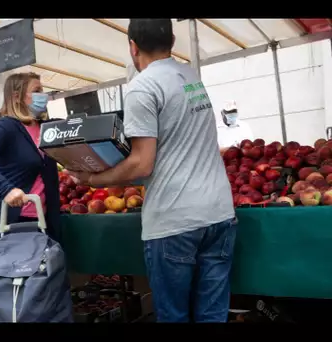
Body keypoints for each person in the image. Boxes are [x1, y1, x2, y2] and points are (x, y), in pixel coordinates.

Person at [68, 19, 236, 323]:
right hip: (219, 212)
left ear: (132, 46)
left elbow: (141, 164)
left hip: (176, 220)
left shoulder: (143, 87)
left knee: (174, 317)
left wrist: (92, 180)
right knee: (212, 315)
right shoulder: (189, 75)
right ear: (171, 39)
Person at [0, 72, 62, 323]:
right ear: (18, 95)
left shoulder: (47, 129)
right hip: (2, 227)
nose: (44, 94)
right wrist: (6, 189)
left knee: (31, 297)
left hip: (39, 227)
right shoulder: (6, 127)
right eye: (38, 89)